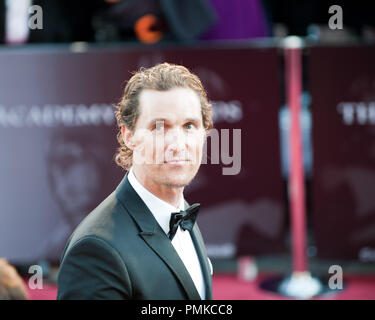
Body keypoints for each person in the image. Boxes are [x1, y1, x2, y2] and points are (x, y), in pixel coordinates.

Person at [57, 62, 214, 300]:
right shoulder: (96, 249)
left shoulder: (182, 213)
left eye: (189, 126)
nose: (177, 143)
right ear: (129, 136)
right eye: (159, 127)